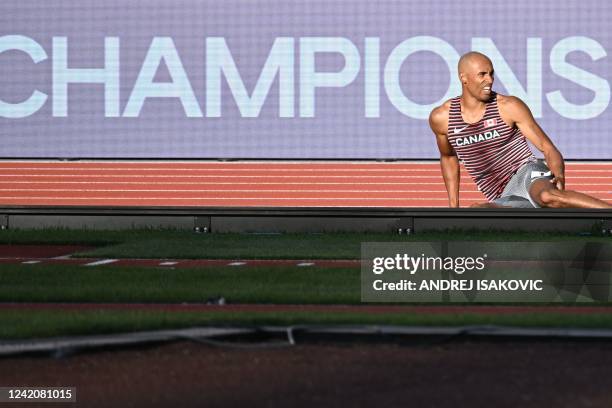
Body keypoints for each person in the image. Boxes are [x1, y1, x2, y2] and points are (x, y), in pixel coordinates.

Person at [429, 51, 611, 209]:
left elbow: (547, 147)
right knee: (479, 210)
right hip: (501, 195)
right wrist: (454, 207)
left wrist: (560, 176)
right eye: (482, 74)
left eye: (491, 74)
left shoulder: (508, 106)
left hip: (526, 172)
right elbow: (449, 157)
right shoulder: (442, 118)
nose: (489, 80)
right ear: (464, 78)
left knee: (547, 197)